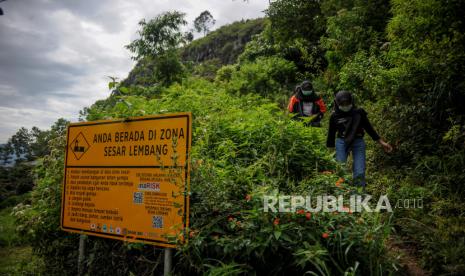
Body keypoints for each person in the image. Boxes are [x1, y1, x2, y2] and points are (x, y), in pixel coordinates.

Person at [326, 90, 392, 188]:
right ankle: (340, 192)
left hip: (358, 142)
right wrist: (330, 153)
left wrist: (382, 143)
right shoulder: (334, 116)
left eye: (347, 103)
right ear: (337, 103)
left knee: (360, 170)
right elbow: (331, 134)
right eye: (342, 104)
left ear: (351, 102)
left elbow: (369, 129)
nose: (345, 106)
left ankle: (359, 195)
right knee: (340, 168)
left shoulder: (359, 113)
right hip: (342, 142)